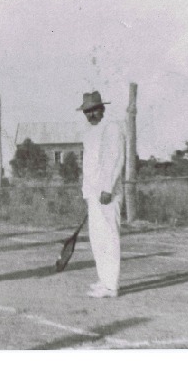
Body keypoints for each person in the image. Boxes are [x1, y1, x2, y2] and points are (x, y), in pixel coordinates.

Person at [78, 91, 126, 298]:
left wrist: (107, 188)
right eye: (87, 112)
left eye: (94, 110)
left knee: (109, 236)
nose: (90, 115)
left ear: (102, 109)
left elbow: (116, 160)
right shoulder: (88, 132)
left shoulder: (112, 128)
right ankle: (104, 280)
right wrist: (88, 192)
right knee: (97, 238)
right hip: (92, 193)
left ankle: (111, 286)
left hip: (108, 193)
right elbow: (90, 165)